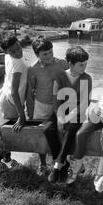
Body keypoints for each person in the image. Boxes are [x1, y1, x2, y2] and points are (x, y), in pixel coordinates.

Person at [26, 37, 70, 182]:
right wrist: (30, 111)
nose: (49, 56)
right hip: (40, 104)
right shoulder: (33, 69)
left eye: (50, 52)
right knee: (40, 135)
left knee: (57, 133)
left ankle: (60, 162)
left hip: (57, 105)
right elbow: (31, 90)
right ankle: (43, 163)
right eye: (44, 54)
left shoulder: (62, 64)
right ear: (37, 55)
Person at [0, 32, 28, 170]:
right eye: (13, 51)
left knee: (9, 131)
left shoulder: (7, 57)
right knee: (12, 135)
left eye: (18, 47)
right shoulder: (19, 65)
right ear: (6, 51)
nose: (18, 52)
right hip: (11, 100)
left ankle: (8, 160)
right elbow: (14, 91)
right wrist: (22, 115)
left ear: (19, 42)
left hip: (4, 96)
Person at [54, 46, 93, 184]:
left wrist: (67, 117)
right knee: (48, 129)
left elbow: (83, 104)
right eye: (81, 65)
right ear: (70, 63)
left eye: (86, 64)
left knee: (71, 128)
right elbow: (56, 99)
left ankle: (59, 164)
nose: (84, 67)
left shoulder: (86, 78)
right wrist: (59, 118)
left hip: (78, 113)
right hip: (61, 111)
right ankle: (64, 163)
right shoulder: (60, 76)